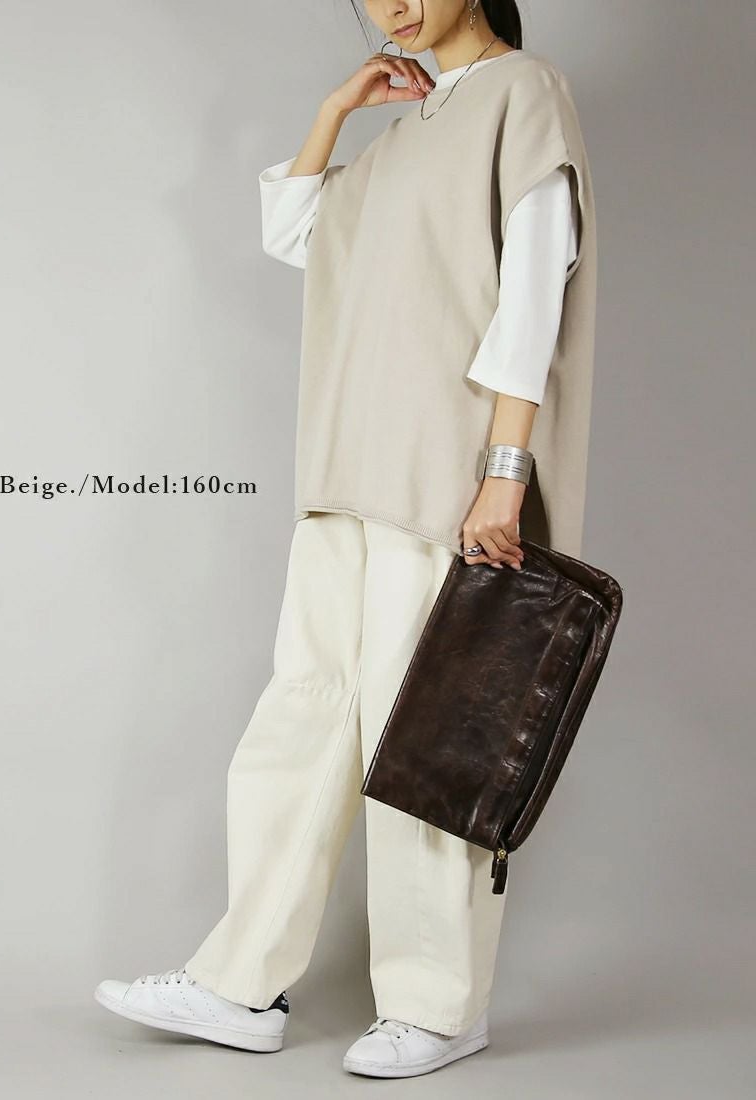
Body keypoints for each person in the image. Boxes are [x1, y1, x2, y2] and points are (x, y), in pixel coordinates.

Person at [94, 0, 596, 1080]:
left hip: (443, 478)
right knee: (303, 718)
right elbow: (297, 235)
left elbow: (532, 296)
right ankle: (241, 981)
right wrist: (334, 111)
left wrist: (504, 471)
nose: (388, 5)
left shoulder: (523, 92)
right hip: (343, 474)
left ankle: (437, 1005)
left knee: (424, 737)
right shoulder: (403, 132)